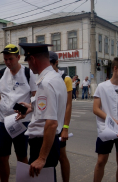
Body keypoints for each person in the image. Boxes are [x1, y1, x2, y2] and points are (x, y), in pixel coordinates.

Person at [16, 43, 67, 181]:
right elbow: (51, 107)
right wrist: (31, 107)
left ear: (32, 59)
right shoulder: (56, 78)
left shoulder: (45, 83)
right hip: (51, 141)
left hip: (43, 143)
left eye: (27, 61)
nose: (28, 66)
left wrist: (41, 158)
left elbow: (51, 123)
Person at [0, 44, 37, 182]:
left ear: (18, 57)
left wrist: (30, 108)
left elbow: (35, 95)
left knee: (22, 157)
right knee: (2, 157)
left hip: (21, 122)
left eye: (10, 59)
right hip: (2, 123)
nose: (8, 62)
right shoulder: (1, 73)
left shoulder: (28, 73)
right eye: (5, 59)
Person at [93, 57, 118, 182]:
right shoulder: (102, 86)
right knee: (101, 161)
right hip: (106, 129)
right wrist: (112, 120)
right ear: (115, 68)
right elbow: (96, 109)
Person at [49, 51, 72, 182]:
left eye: (51, 64)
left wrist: (66, 127)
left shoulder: (65, 79)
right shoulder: (44, 76)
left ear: (56, 63)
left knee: (61, 156)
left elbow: (68, 105)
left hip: (59, 125)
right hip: (47, 124)